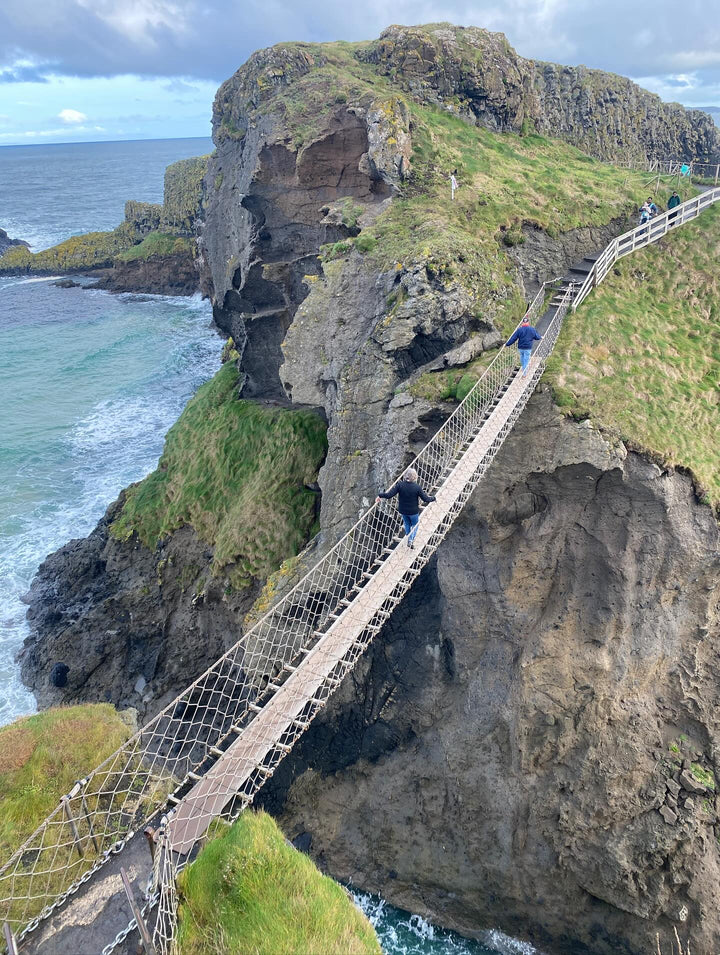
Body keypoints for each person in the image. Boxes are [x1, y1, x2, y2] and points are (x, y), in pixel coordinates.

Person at [376, 467, 435, 549]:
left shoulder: (400, 485)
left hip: (403, 511)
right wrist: (433, 498)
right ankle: (410, 539)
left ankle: (408, 535)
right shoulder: (417, 487)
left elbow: (389, 495)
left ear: (405, 476)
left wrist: (380, 495)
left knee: (407, 523)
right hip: (413, 512)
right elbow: (425, 499)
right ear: (415, 477)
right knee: (415, 525)